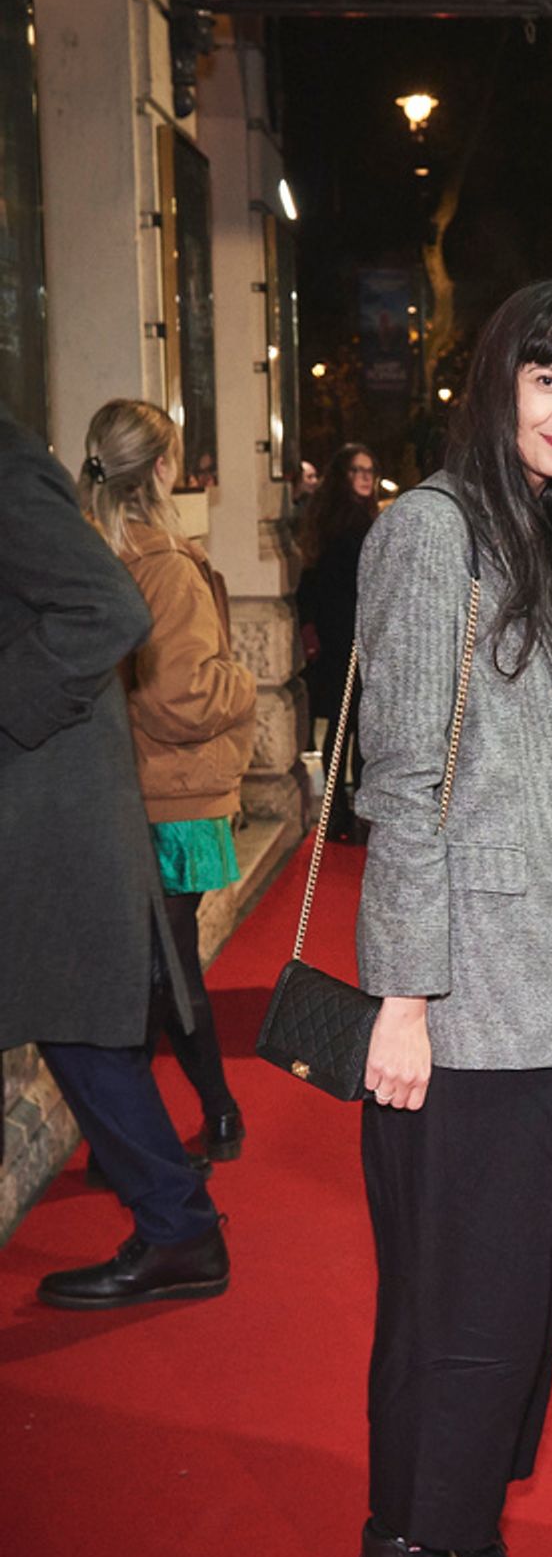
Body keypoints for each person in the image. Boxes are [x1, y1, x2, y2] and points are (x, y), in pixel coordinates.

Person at [348, 280, 552, 1557]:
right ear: (496, 386)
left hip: (540, 993)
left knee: (511, 1295)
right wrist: (398, 991)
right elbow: (402, 779)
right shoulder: (430, 529)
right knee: (454, 1297)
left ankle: (458, 1531)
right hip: (451, 1001)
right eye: (548, 380)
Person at [0, 399, 229, 1309]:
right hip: (57, 809)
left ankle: (181, 1225)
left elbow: (108, 614)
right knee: (85, 1024)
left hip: (53, 812)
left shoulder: (8, 466)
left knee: (88, 1022)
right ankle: (179, 1223)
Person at [79, 400, 258, 1164]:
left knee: (153, 968)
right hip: (173, 798)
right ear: (161, 468)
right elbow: (182, 696)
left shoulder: (86, 554)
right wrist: (243, 683)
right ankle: (209, 1115)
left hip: (113, 792)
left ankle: (153, 1129)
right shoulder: (165, 568)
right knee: (168, 971)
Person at [297, 442, 380, 837]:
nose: (366, 477)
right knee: (355, 727)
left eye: (369, 470)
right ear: (343, 478)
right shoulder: (352, 525)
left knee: (342, 726)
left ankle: (338, 813)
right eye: (357, 470)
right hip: (350, 638)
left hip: (345, 637)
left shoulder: (336, 521)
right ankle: (355, 813)